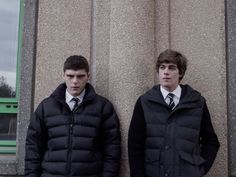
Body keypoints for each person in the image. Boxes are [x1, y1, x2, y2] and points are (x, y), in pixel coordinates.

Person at [128, 49, 220, 177]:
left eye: (171, 68)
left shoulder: (197, 102)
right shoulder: (144, 102)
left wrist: (199, 169)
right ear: (158, 72)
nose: (166, 72)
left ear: (180, 73)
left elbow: (211, 141)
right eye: (162, 67)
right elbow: (134, 146)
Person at [25, 55, 121, 177]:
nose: (75, 81)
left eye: (80, 76)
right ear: (63, 75)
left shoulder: (103, 107)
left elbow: (112, 149)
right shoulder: (46, 107)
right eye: (70, 76)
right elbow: (33, 147)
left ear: (88, 77)